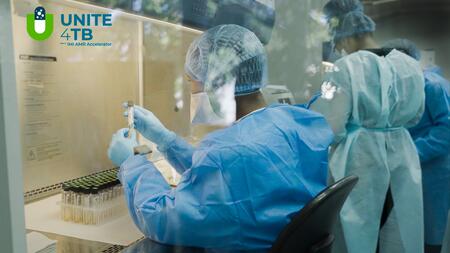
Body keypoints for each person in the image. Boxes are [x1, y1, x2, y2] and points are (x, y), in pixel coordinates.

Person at [107, 24, 334, 250]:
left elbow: (163, 219)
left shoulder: (231, 152)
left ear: (217, 84)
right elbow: (223, 177)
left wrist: (132, 161)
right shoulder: (293, 123)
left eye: (191, 82)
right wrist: (166, 140)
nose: (191, 92)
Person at [308, 1, 426, 253]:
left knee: (357, 233)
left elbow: (332, 127)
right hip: (403, 155)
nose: (338, 49)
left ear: (343, 36)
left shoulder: (345, 67)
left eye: (337, 43)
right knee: (398, 227)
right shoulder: (411, 66)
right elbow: (416, 116)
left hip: (359, 159)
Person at [383, 39, 450, 253]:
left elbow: (446, 130)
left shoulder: (433, 86)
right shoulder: (406, 86)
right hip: (415, 170)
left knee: (433, 230)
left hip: (436, 172)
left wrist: (411, 151)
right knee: (415, 228)